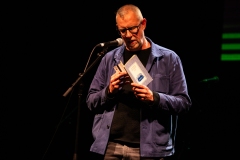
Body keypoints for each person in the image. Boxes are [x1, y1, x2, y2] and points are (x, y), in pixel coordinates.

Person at [86, 4, 192, 160]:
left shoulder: (169, 59)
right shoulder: (110, 58)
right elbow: (90, 101)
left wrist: (154, 98)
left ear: (143, 24)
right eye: (123, 31)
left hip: (149, 150)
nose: (128, 35)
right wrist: (109, 91)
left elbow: (183, 103)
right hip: (110, 146)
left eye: (133, 29)